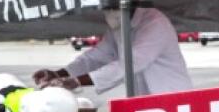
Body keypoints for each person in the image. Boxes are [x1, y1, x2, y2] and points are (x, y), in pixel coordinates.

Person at [32, 6, 192, 96]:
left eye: (112, 7)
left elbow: (130, 63)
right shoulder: (119, 25)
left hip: (173, 98)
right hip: (143, 101)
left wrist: (78, 81)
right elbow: (96, 56)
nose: (107, 12)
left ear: (129, 3)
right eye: (105, 8)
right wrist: (59, 74)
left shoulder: (155, 23)